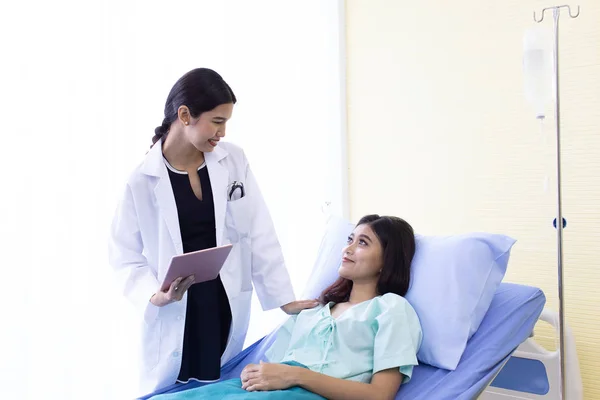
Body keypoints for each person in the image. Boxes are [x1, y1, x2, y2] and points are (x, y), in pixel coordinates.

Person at [108, 68, 318, 395]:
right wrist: (155, 295)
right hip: (176, 311)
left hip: (222, 305)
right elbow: (123, 257)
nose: (222, 132)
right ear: (185, 115)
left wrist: (284, 300)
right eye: (217, 121)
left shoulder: (232, 160)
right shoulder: (141, 181)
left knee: (218, 390)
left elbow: (258, 231)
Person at [149, 214, 423, 400]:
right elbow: (273, 367)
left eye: (362, 243)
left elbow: (380, 395)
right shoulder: (314, 311)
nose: (347, 249)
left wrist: (295, 375)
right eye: (349, 240)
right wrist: (255, 373)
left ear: (387, 260)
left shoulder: (391, 309)